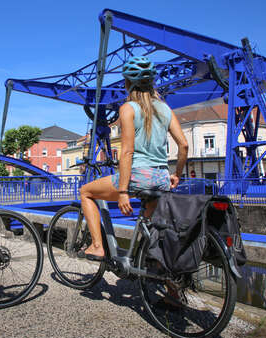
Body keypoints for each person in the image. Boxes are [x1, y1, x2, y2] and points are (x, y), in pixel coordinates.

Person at [79, 56, 188, 261]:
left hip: (138, 177)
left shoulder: (128, 109)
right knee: (149, 234)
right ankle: (154, 272)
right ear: (152, 82)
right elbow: (184, 145)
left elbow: (127, 151)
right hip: (162, 179)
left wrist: (122, 192)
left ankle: (96, 247)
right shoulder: (165, 109)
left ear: (127, 83)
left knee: (85, 192)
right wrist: (177, 175)